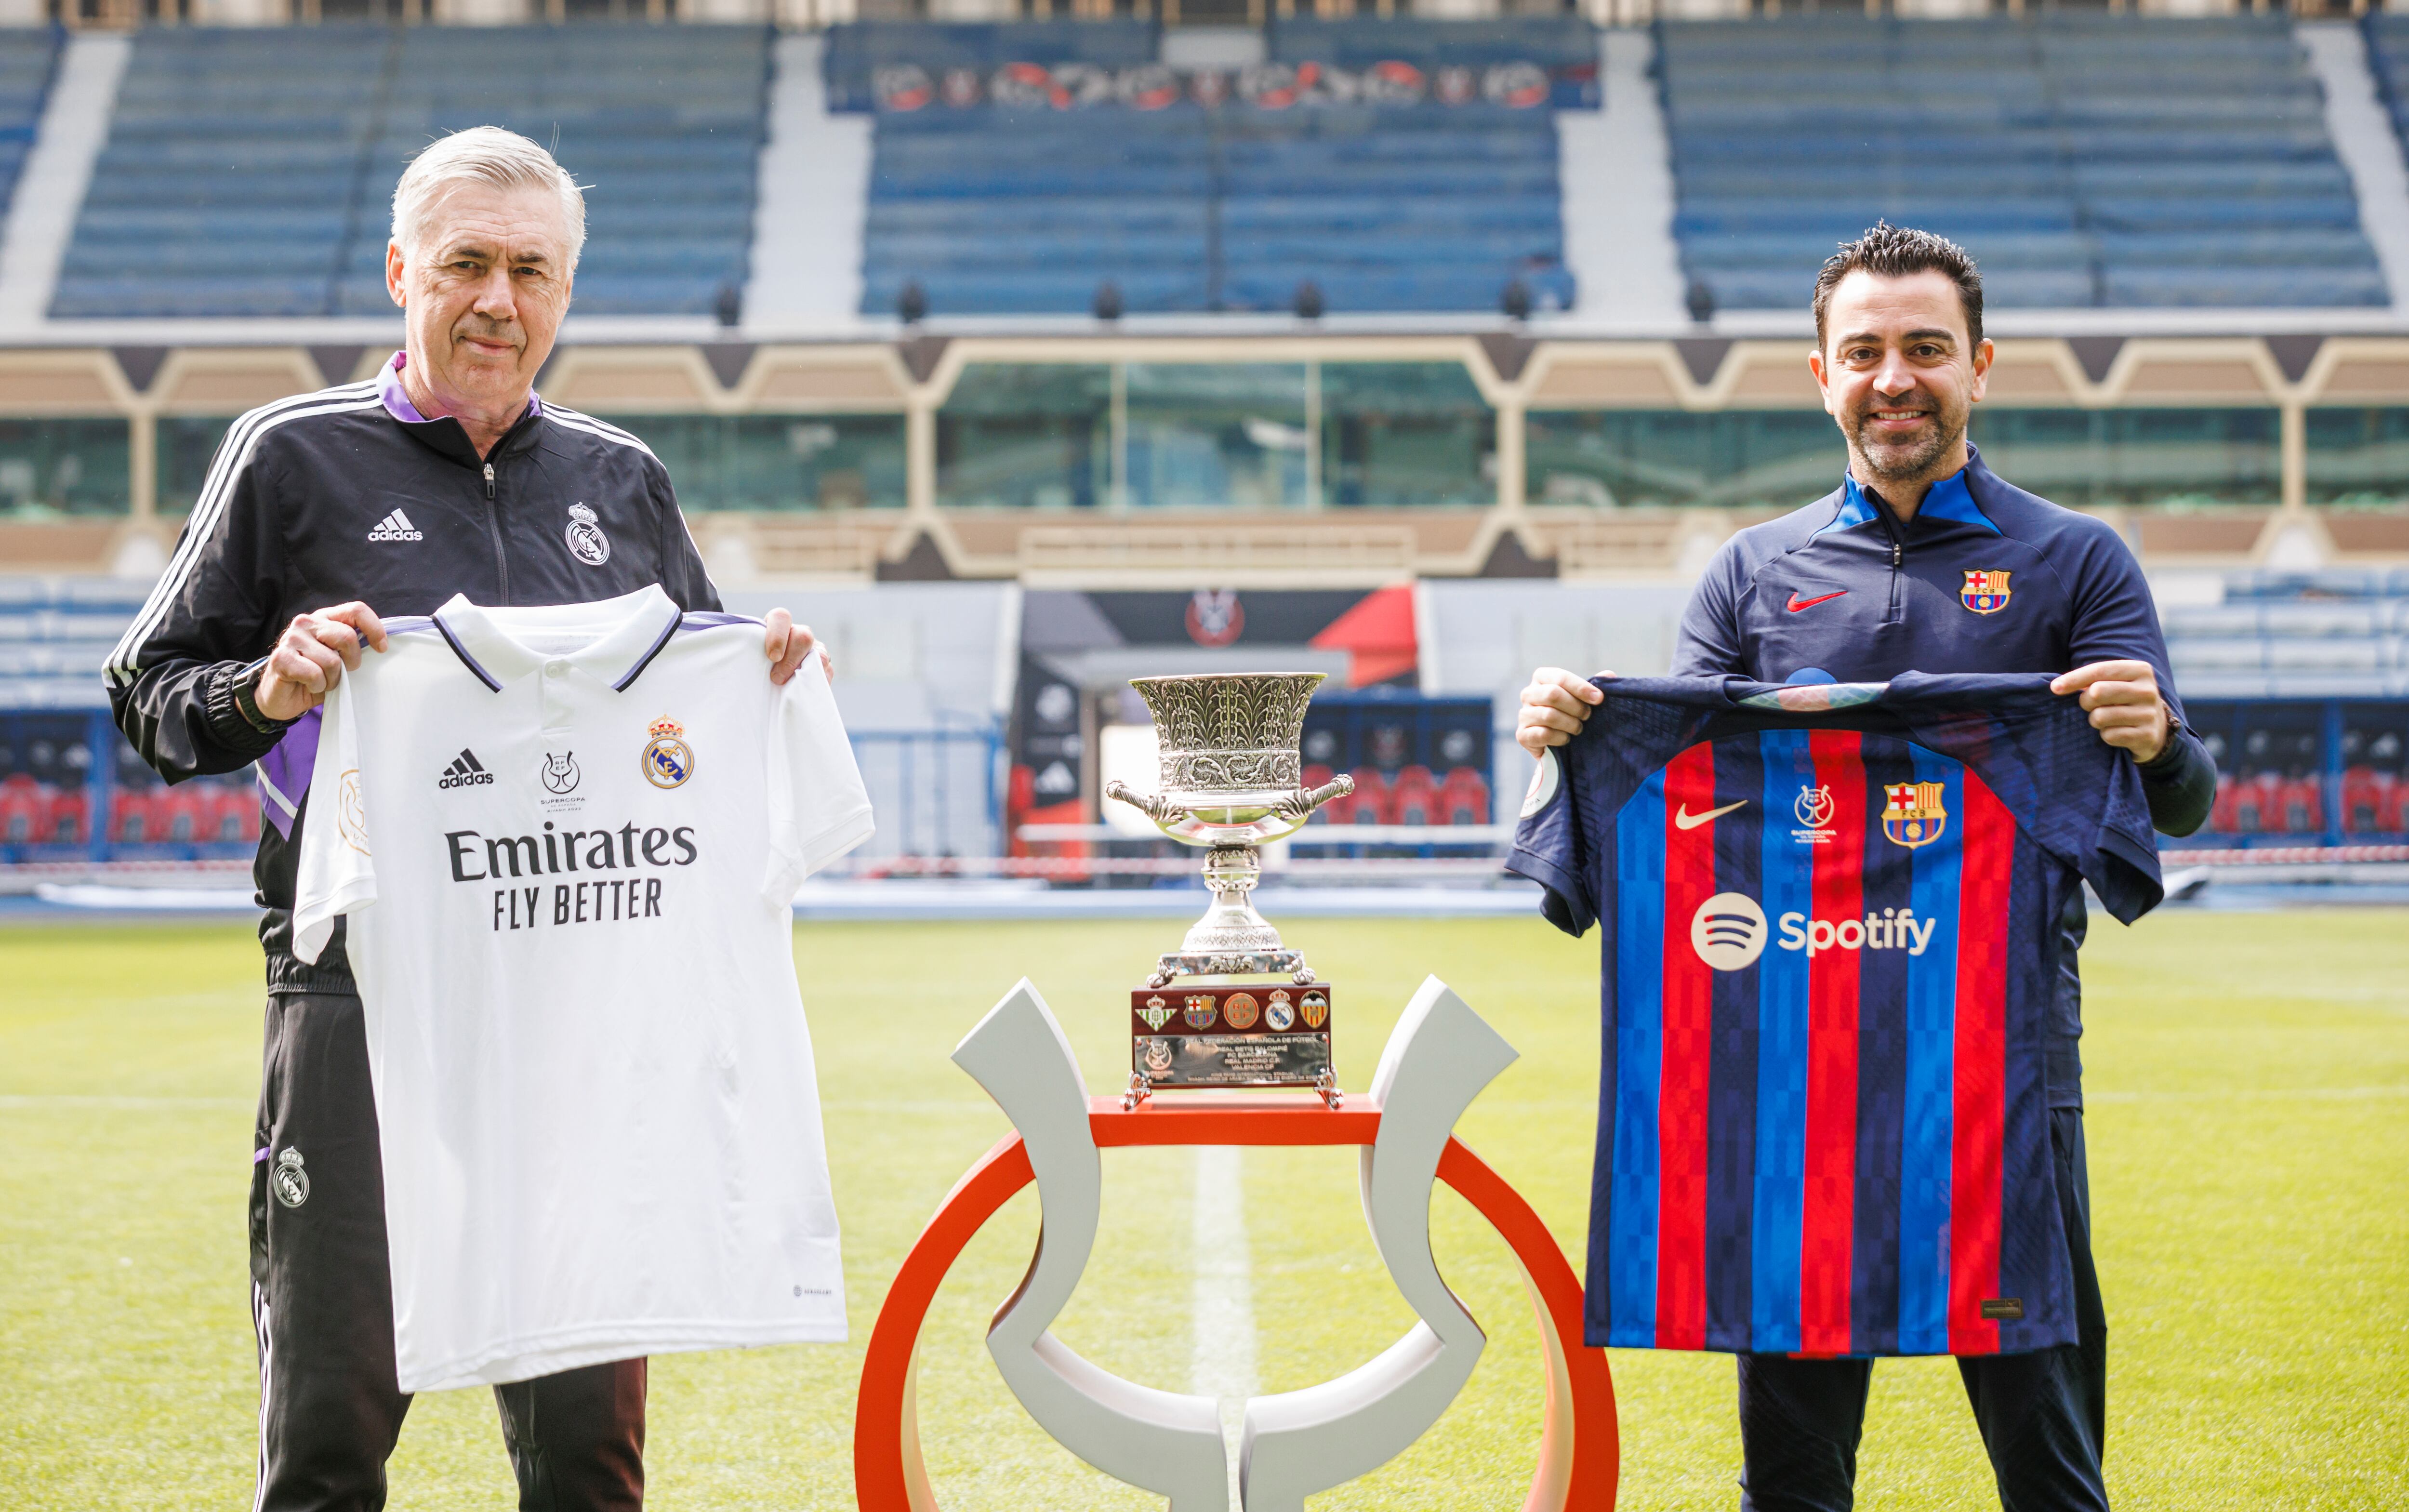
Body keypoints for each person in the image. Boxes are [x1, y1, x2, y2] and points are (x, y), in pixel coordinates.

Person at [105, 127, 829, 1512]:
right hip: (357, 992)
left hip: (576, 1006)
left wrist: (764, 669)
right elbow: (147, 693)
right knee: (328, 1434)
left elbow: (679, 698)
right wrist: (268, 684)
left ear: (567, 293)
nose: (500, 300)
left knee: (590, 1461)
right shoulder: (290, 456)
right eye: (467, 264)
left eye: (532, 270)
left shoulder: (620, 478)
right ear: (401, 272)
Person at [1514, 224, 2216, 1512]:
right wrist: (1574, 744)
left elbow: (2177, 807)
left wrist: (2162, 742)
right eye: (1867, 351)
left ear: (1982, 366)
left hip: (2001, 1077)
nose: (1896, 377)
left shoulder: (2077, 561)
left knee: (2053, 1468)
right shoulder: (1751, 572)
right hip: (1795, 1081)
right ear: (1822, 374)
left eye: (1927, 350)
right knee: (1789, 1479)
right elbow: (1687, 818)